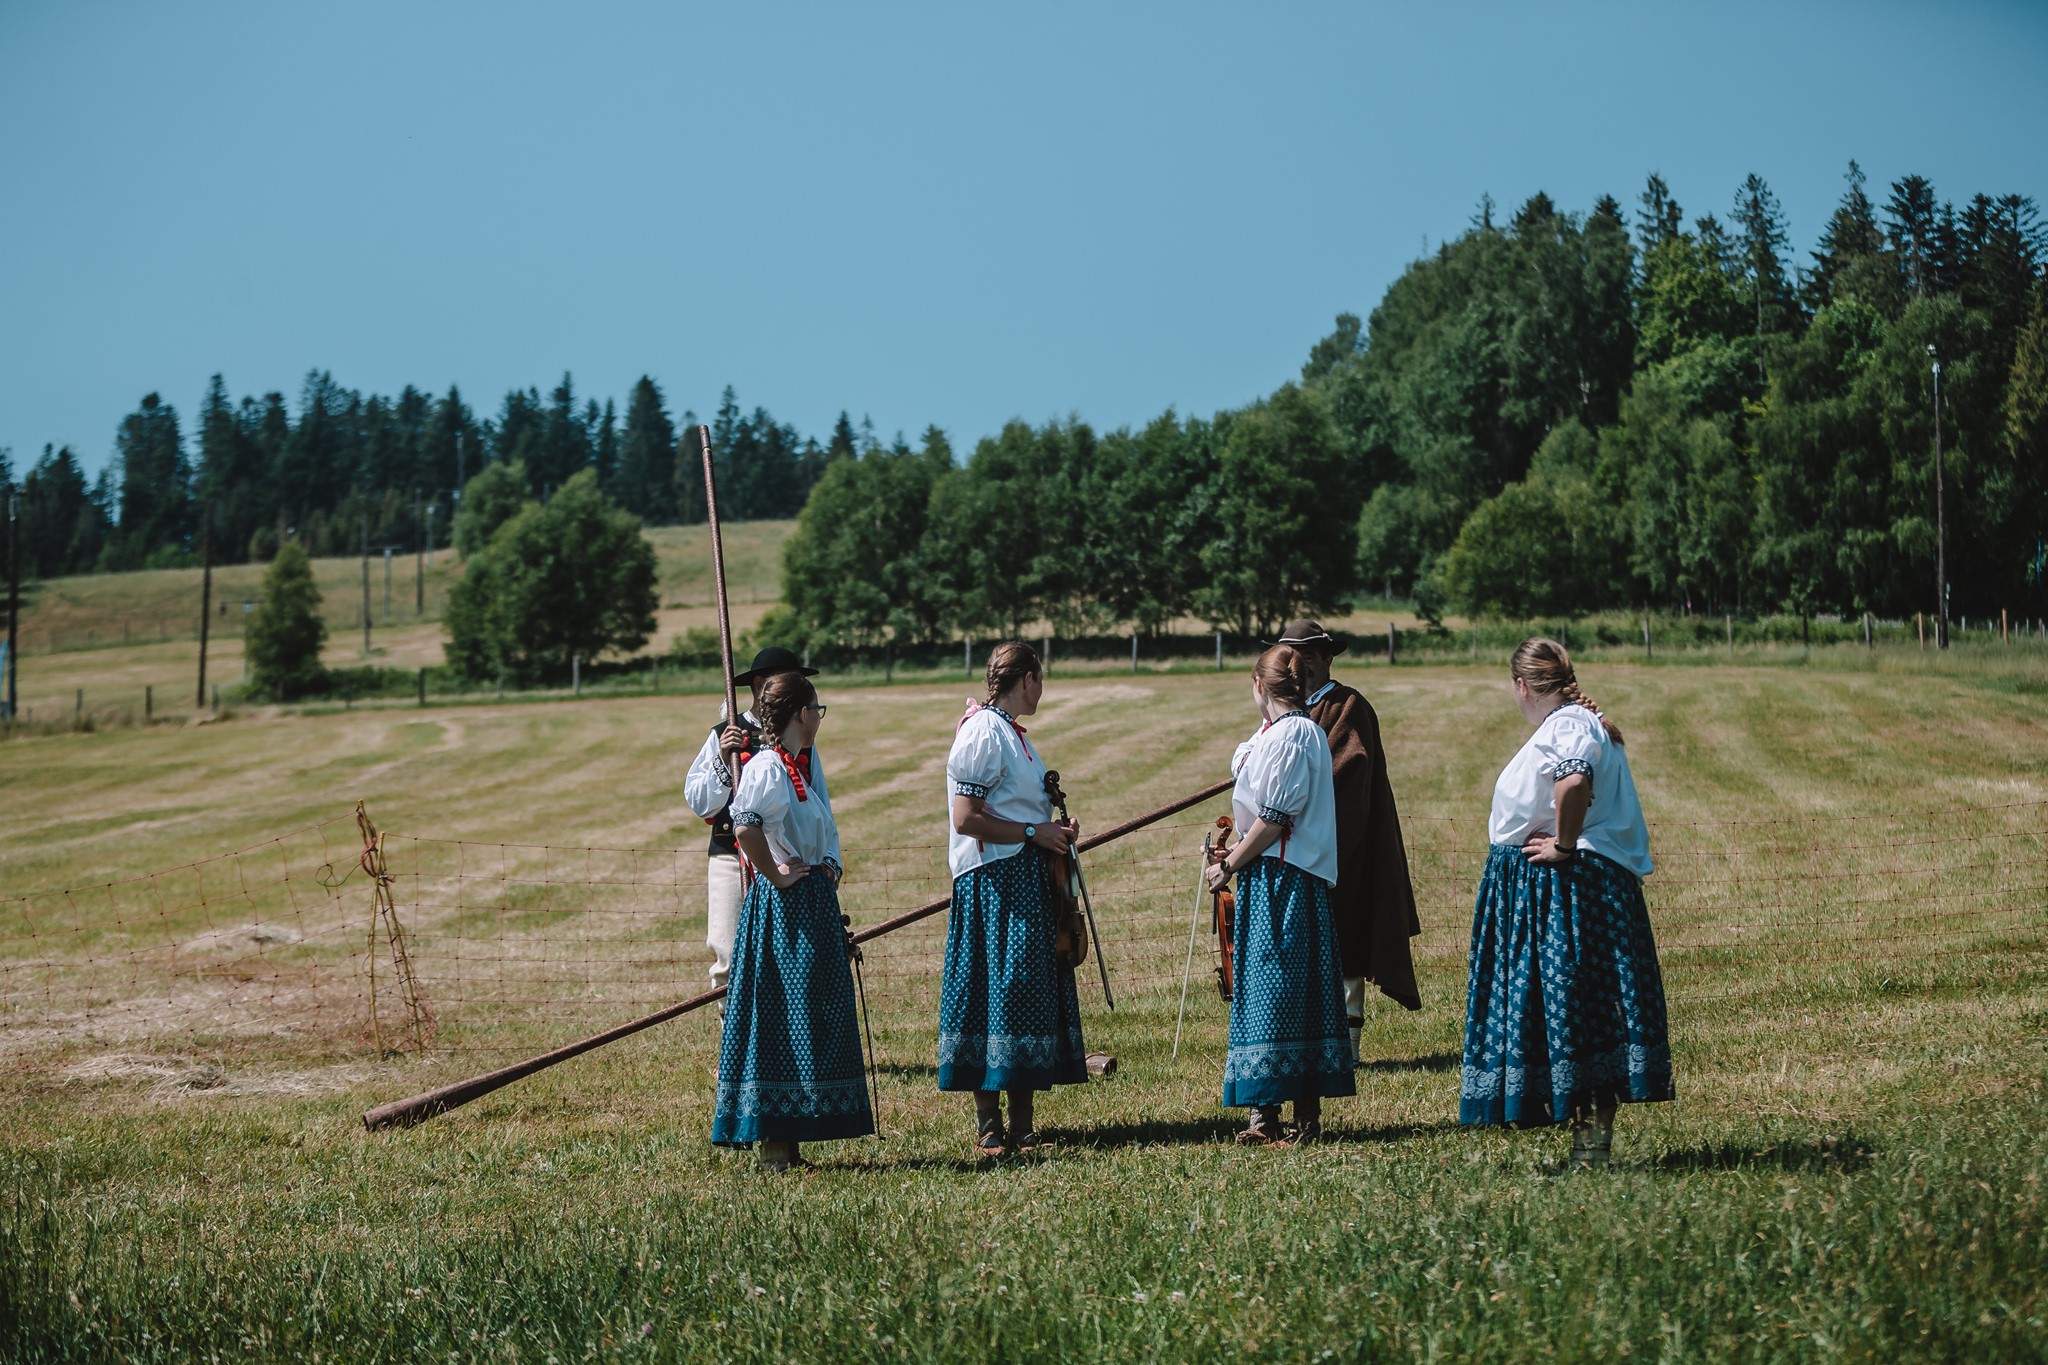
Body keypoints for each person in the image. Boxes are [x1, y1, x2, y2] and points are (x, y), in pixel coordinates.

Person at [1459, 638, 1672, 1169]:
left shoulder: (1570, 725)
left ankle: (1591, 1149)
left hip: (1568, 888)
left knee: (1578, 1013)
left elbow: (1574, 781)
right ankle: (1587, 1146)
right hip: (1554, 888)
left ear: (1522, 685)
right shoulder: (1576, 722)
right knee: (1574, 1012)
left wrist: (1565, 844)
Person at [710, 670, 872, 1170]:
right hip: (784, 911)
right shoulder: (767, 767)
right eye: (816, 709)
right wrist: (777, 875)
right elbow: (745, 827)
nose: (819, 718)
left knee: (804, 1012)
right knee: (781, 1014)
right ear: (802, 713)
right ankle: (775, 1147)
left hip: (807, 904)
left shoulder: (791, 767)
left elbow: (814, 831)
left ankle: (790, 1140)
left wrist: (828, 867)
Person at [937, 641, 1084, 1156]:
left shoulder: (1011, 733)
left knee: (1023, 995)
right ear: (1027, 679)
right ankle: (989, 1125)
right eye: (1040, 681)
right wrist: (1032, 832)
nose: (1041, 690)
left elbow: (1017, 810)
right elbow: (966, 817)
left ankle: (1022, 1125)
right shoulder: (983, 730)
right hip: (993, 882)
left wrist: (1052, 830)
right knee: (992, 995)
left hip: (1021, 877)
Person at [1206, 644, 1356, 1144]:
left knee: (1285, 991)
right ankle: (1266, 1116)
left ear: (1258, 685)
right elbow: (1246, 764)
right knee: (1269, 989)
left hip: (1286, 879)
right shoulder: (1279, 732)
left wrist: (1229, 863)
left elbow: (1274, 818)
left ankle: (1297, 1117)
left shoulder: (1295, 735)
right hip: (1270, 876)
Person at [1271, 619, 1423, 1063]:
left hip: (1342, 847)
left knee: (1346, 940)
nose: (1298, 666)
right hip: (1296, 847)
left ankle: (1346, 1049)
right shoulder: (1287, 711)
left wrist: (1291, 808)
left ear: (1326, 659)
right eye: (1290, 657)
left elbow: (1349, 775)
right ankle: (1307, 1041)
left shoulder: (1346, 706)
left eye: (1307, 656)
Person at [684, 645, 818, 993]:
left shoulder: (802, 737)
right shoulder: (724, 733)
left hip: (788, 859)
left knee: (786, 954)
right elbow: (700, 803)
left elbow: (817, 798)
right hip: (731, 856)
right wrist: (723, 759)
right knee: (729, 954)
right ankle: (731, 1022)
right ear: (759, 685)